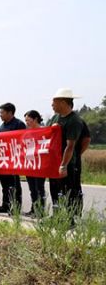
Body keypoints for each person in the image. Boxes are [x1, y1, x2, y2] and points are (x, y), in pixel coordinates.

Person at [49, 88, 84, 219]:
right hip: (54, 161)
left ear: (63, 102)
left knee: (69, 190)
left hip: (67, 163)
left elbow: (70, 146)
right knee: (55, 190)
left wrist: (64, 165)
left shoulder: (74, 121)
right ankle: (57, 215)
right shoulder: (55, 117)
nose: (52, 105)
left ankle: (71, 218)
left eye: (54, 102)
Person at [0, 103, 26, 214]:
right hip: (3, 159)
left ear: (10, 112)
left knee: (14, 184)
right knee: (4, 184)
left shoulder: (19, 124)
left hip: (14, 159)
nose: (0, 115)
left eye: (2, 112)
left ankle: (15, 207)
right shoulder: (2, 126)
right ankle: (5, 205)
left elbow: (22, 141)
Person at [24, 110, 46, 217]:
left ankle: (40, 211)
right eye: (26, 121)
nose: (27, 123)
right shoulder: (27, 133)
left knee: (39, 188)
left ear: (35, 119)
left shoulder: (45, 131)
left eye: (28, 120)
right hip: (30, 164)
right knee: (32, 189)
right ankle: (33, 209)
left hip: (40, 164)